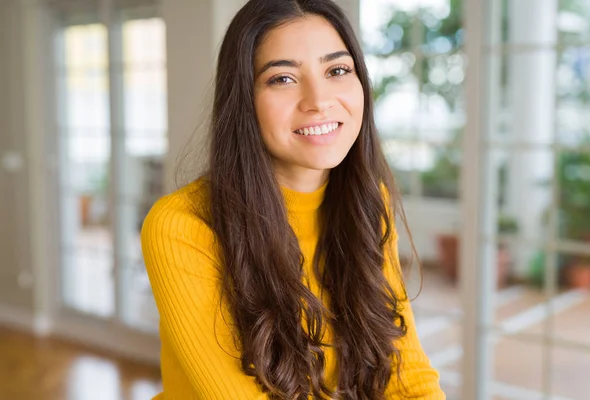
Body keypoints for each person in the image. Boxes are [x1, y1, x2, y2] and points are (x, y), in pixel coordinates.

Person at [141, 0, 445, 398]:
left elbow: (407, 376)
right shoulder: (181, 226)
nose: (318, 100)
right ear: (244, 100)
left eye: (337, 70)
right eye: (282, 78)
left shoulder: (369, 204)